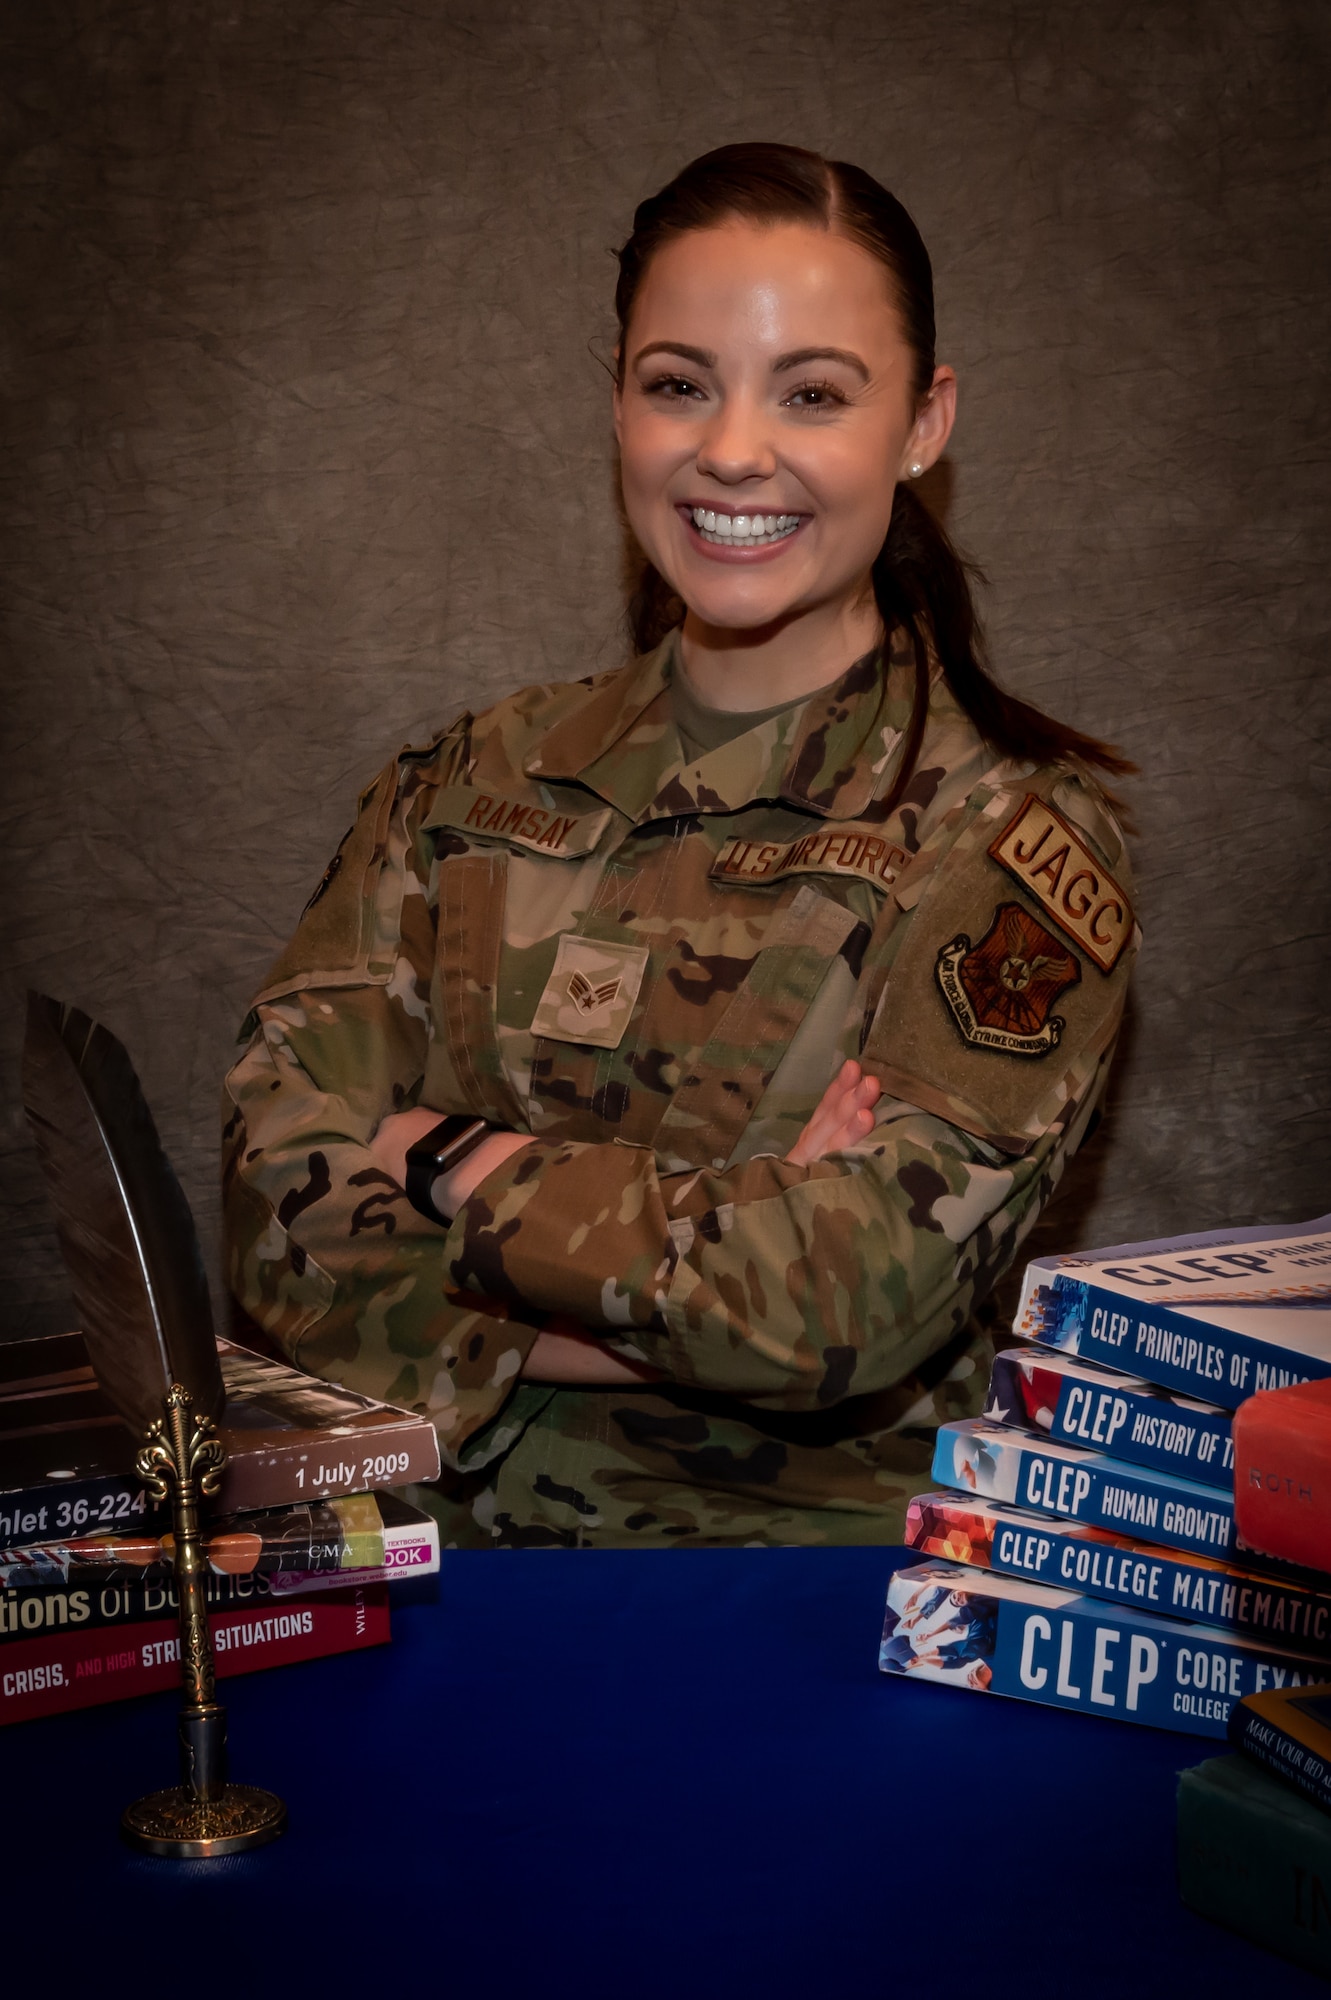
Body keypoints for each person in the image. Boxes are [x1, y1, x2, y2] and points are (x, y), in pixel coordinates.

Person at [223, 143, 1138, 1547]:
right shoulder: (460, 782)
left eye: (815, 392)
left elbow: (846, 1306)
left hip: (778, 1636)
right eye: (678, 384)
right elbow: (270, 1216)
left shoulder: (1008, 837)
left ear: (923, 422)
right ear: (618, 403)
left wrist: (439, 1156)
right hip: (427, 1591)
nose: (730, 450)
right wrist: (713, 1228)